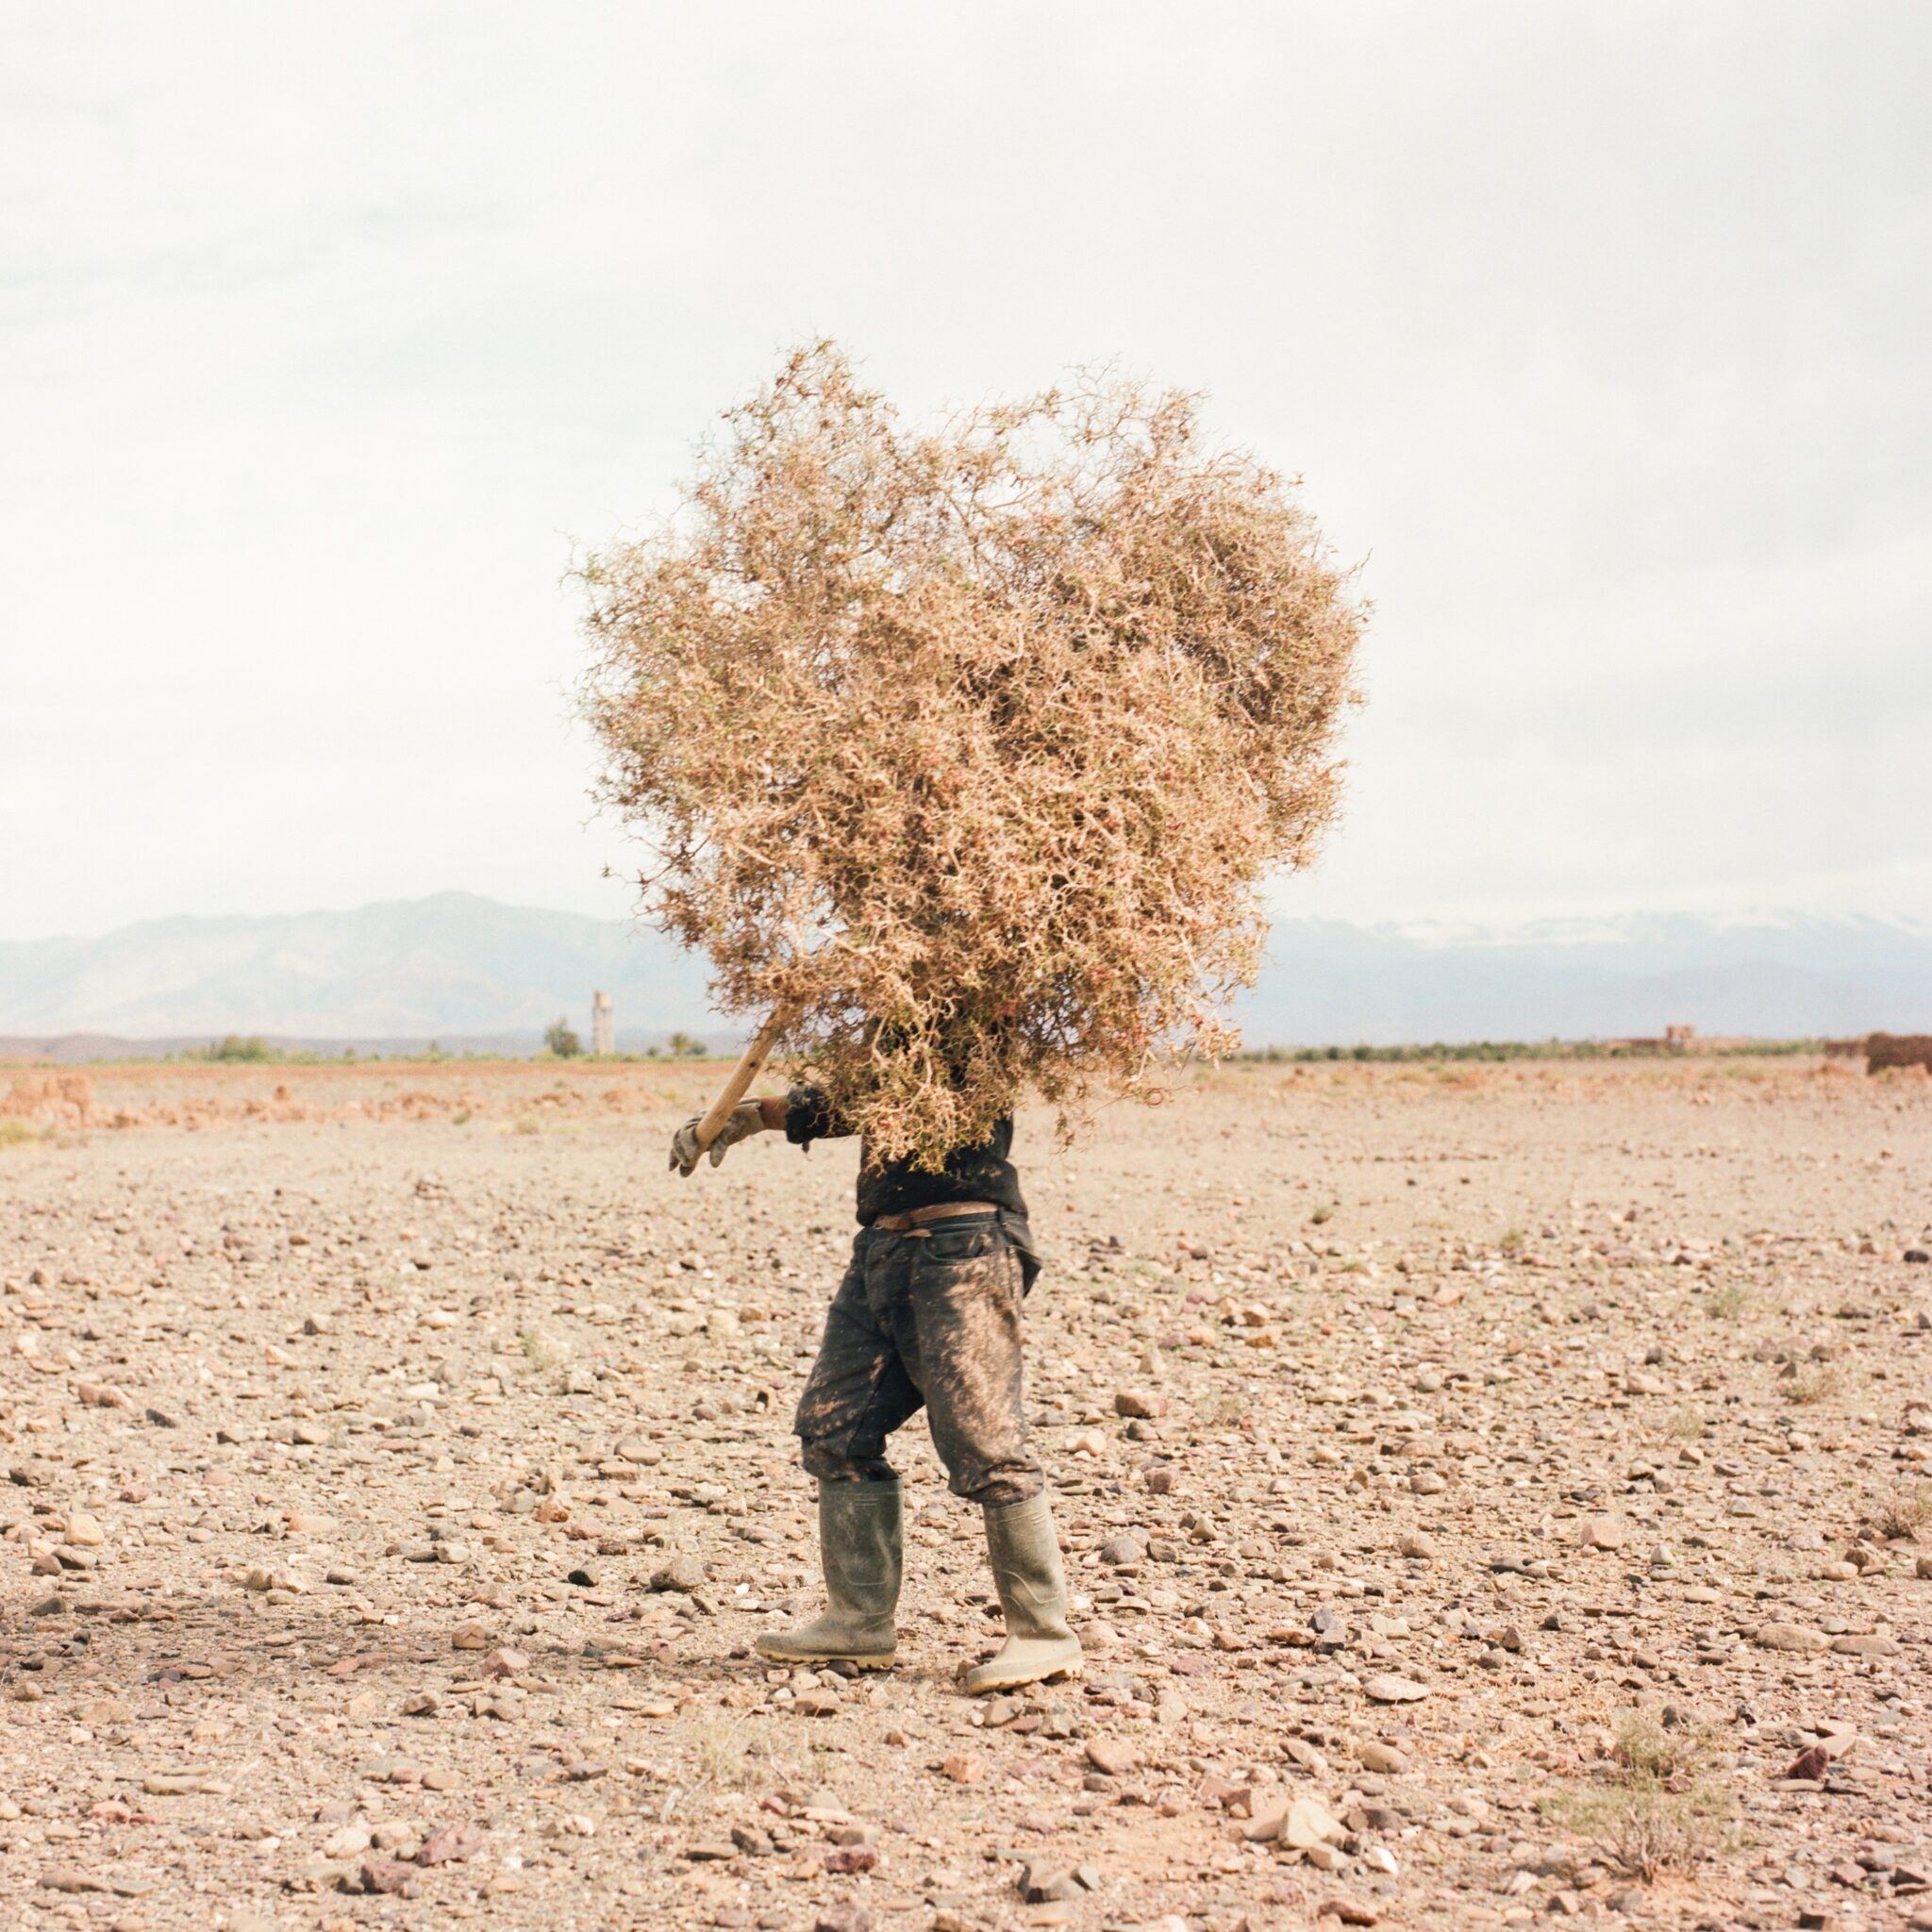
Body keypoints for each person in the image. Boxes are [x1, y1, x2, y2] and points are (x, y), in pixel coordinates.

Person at [670, 1080, 1082, 1693]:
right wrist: (757, 1116)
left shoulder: (968, 1019)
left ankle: (1043, 1633)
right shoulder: (888, 1032)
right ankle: (858, 1622)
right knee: (834, 1426)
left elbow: (891, 1093)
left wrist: (763, 1114)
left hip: (964, 1248)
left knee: (984, 1440)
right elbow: (864, 1095)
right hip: (884, 1248)